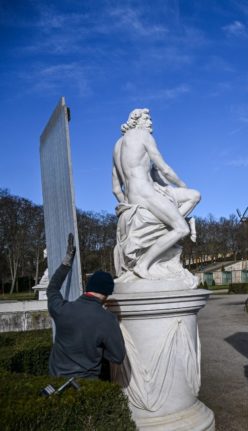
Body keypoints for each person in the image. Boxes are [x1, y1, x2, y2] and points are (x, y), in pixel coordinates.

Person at [112, 108, 200, 278]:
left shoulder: (117, 145)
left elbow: (116, 188)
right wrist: (182, 186)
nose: (150, 123)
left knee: (194, 195)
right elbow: (164, 169)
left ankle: (168, 223)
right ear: (137, 121)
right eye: (147, 119)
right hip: (146, 193)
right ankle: (143, 265)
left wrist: (129, 207)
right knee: (182, 229)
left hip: (134, 197)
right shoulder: (142, 135)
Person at [47, 234, 126, 378]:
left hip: (56, 383)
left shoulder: (62, 309)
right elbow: (117, 357)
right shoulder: (107, 319)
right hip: (86, 388)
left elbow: (52, 289)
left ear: (88, 288)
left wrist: (66, 263)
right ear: (107, 294)